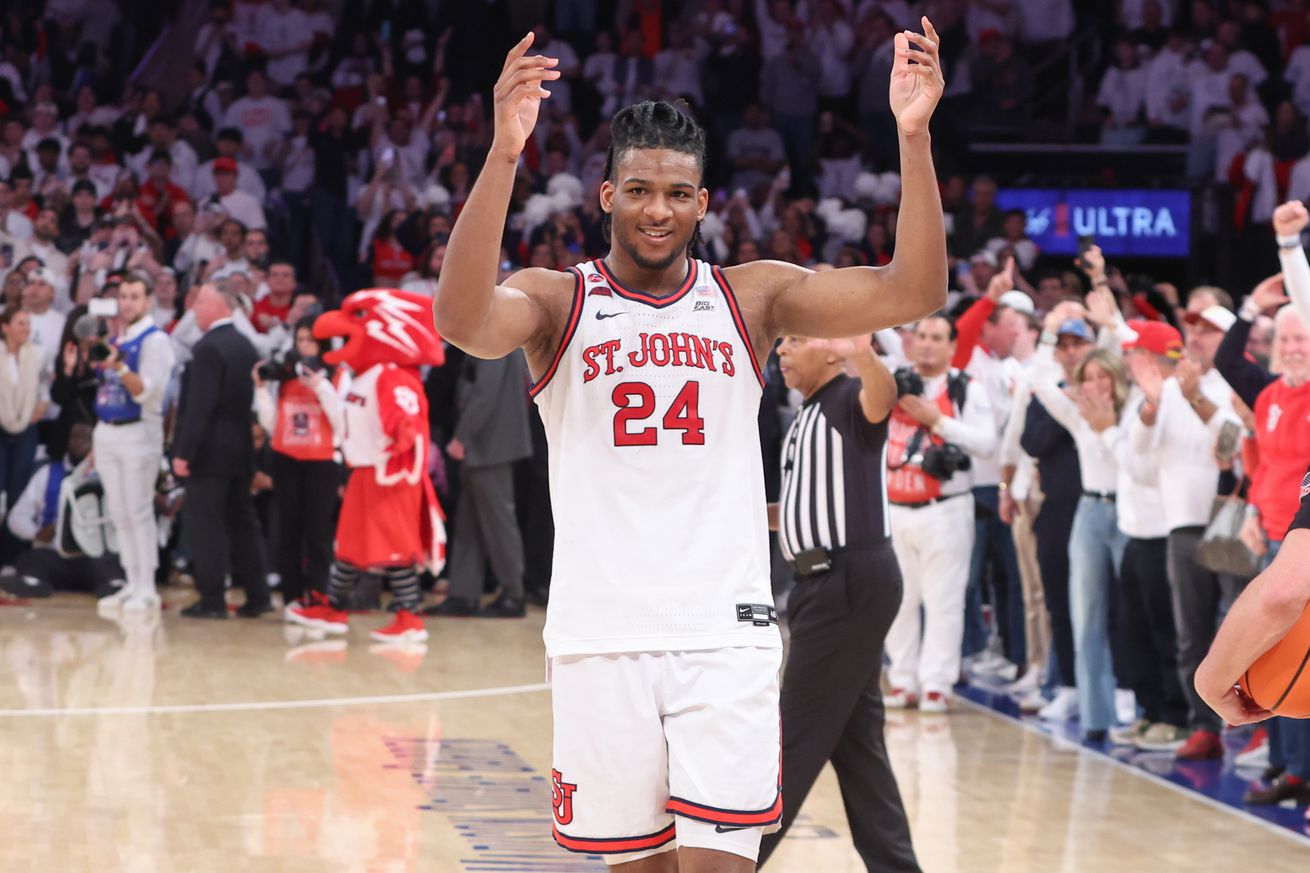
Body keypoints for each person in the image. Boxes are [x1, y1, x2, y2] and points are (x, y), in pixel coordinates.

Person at [432, 22, 946, 871]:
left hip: (724, 631)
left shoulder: (752, 299)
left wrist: (914, 136)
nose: (657, 209)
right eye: (637, 190)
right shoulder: (557, 302)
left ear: (704, 202)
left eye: (677, 193)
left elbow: (913, 289)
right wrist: (502, 155)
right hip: (601, 635)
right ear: (606, 197)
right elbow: (462, 322)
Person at [761, 331, 919, 872]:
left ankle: (732, 862)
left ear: (833, 351)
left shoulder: (849, 399)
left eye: (796, 340)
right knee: (860, 755)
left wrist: (862, 353)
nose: (781, 350)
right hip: (826, 587)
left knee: (792, 740)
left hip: (845, 585)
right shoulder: (806, 413)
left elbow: (884, 396)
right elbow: (803, 506)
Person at [883, 314, 996, 712]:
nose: (928, 344)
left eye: (937, 338)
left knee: (944, 601)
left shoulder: (967, 388)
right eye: (922, 337)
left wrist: (939, 422)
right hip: (895, 506)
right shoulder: (894, 380)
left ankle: (936, 684)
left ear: (952, 346)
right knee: (899, 599)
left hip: (945, 510)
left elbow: (987, 444)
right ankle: (902, 680)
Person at [170, 280, 273, 619]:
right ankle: (258, 596)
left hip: (209, 454)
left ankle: (213, 599)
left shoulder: (208, 348)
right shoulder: (245, 344)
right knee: (243, 523)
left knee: (205, 524)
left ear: (220, 306)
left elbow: (200, 408)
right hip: (240, 451)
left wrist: (183, 453)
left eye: (200, 301)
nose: (194, 307)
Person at [90, 273, 175, 612]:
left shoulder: (156, 341)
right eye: (123, 297)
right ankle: (131, 580)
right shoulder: (117, 338)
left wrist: (120, 366)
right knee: (118, 511)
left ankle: (147, 585)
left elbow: (143, 392)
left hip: (139, 430)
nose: (127, 303)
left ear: (148, 300)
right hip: (107, 428)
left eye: (134, 297)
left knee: (138, 510)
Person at [426, 350, 533, 618]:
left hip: (490, 445)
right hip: (486, 446)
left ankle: (512, 594)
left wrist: (462, 437)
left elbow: (485, 394)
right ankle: (463, 594)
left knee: (499, 523)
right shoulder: (493, 339)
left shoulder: (492, 342)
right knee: (469, 523)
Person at [254, 318, 341, 617]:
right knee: (288, 530)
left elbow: (342, 421)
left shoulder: (337, 376)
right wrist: (262, 389)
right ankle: (292, 595)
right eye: (300, 340)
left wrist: (320, 385)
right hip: (286, 458)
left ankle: (318, 594)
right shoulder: (286, 377)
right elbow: (270, 424)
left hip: (322, 461)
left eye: (310, 341)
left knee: (317, 532)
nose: (303, 347)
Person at [0, 419, 124, 599]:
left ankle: (113, 586)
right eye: (75, 437)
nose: (78, 441)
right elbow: (17, 516)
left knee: (111, 565)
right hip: (54, 555)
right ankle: (32, 583)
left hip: (92, 558)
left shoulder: (107, 478)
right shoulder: (47, 473)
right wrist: (36, 533)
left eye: (85, 438)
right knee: (32, 560)